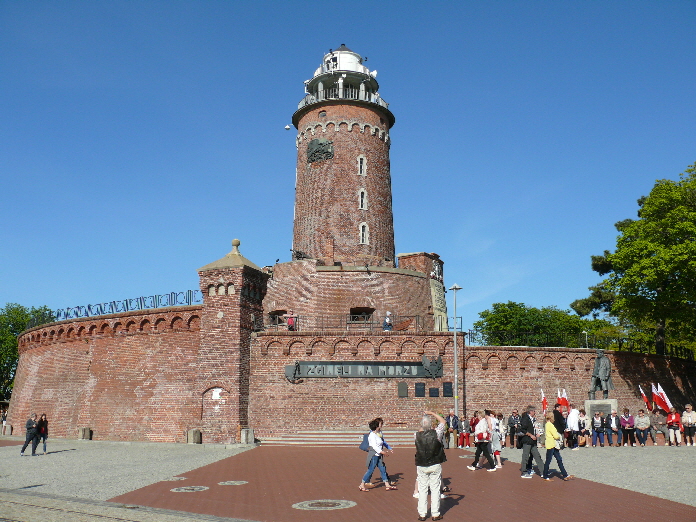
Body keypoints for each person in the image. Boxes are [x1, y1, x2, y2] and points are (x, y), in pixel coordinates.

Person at [415, 410, 446, 522]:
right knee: (435, 489)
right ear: (431, 425)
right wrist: (432, 413)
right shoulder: (437, 433)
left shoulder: (416, 435)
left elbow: (421, 430)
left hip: (422, 464)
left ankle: (422, 514)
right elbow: (443, 421)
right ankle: (435, 513)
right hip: (434, 463)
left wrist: (424, 421)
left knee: (422, 490)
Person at [359, 418, 396, 491]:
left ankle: (387, 485)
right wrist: (382, 452)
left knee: (383, 469)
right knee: (370, 470)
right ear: (376, 425)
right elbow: (374, 446)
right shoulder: (372, 435)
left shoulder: (379, 433)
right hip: (374, 455)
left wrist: (388, 448)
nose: (382, 425)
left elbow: (382, 442)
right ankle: (362, 484)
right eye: (380, 424)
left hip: (379, 455)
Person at [542, 412, 574, 481]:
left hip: (552, 445)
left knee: (558, 459)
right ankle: (545, 475)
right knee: (549, 460)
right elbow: (555, 435)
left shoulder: (547, 424)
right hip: (552, 444)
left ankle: (565, 475)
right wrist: (558, 436)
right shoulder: (550, 425)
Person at [519, 405, 545, 478]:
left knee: (537, 456)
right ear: (530, 411)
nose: (535, 412)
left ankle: (543, 472)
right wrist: (531, 435)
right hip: (527, 440)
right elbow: (523, 429)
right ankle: (524, 472)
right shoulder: (525, 419)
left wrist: (536, 434)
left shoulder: (532, 419)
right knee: (525, 456)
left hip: (533, 441)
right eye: (534, 411)